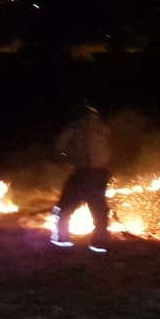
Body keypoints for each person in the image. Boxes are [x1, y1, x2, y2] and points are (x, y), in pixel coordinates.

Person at [51, 102, 114, 252]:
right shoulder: (103, 128)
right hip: (101, 172)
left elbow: (59, 146)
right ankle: (100, 242)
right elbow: (111, 149)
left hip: (83, 171)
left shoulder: (75, 127)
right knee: (99, 208)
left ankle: (61, 238)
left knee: (65, 205)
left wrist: (67, 157)